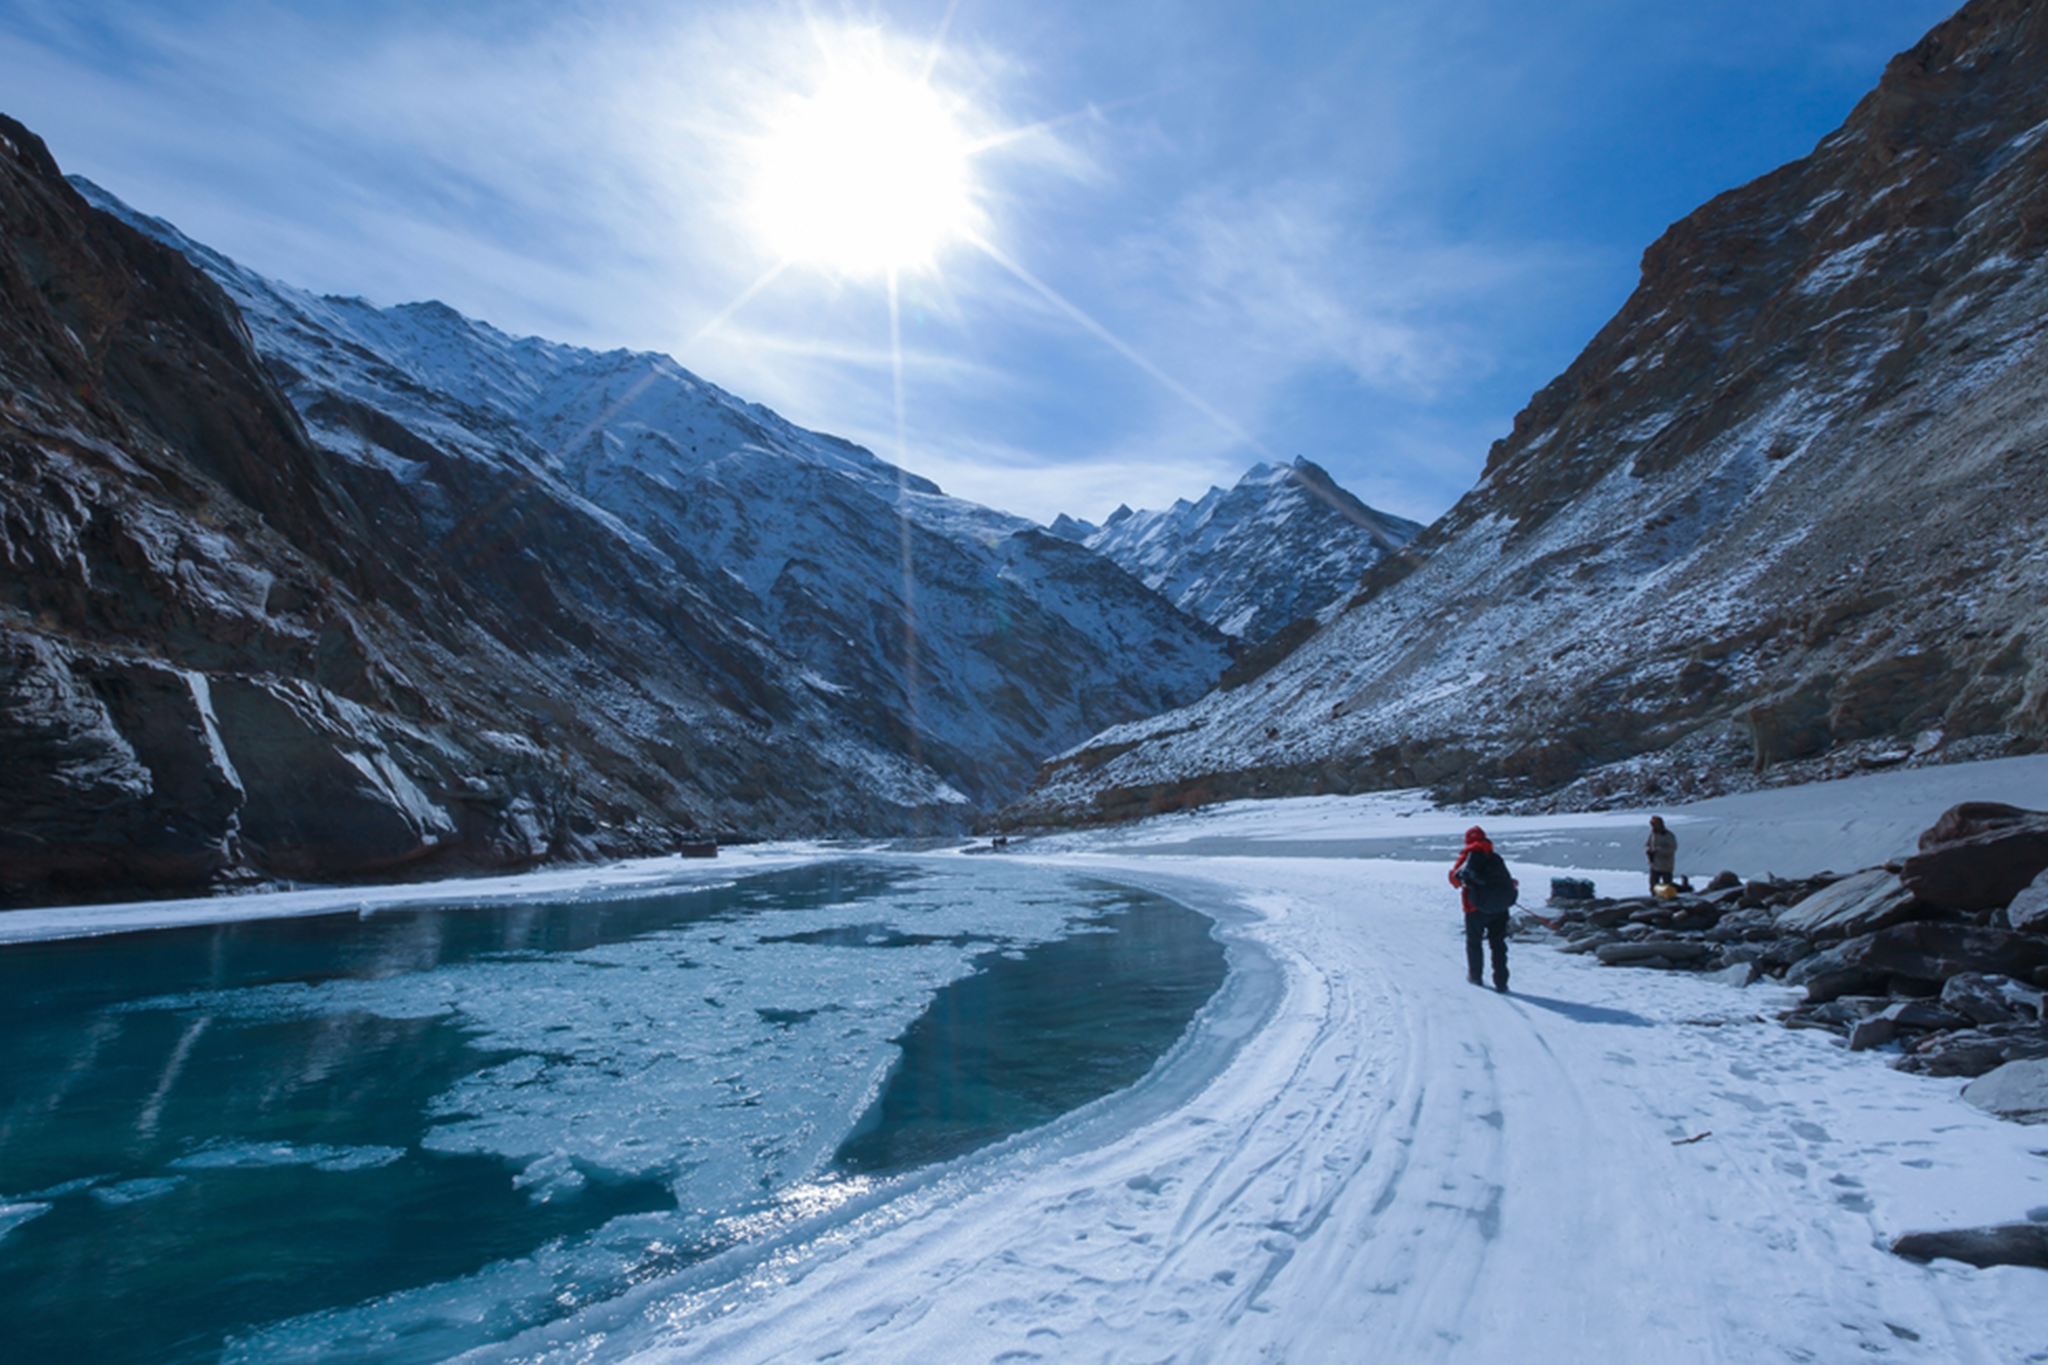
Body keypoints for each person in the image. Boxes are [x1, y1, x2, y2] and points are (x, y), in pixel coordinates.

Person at [1450, 825, 1516, 993]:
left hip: (1474, 908)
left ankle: (1475, 976)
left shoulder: (1468, 855)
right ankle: (1501, 982)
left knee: (1474, 943)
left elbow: (1455, 879)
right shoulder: (1495, 857)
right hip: (1500, 907)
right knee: (1498, 944)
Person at [1646, 815, 1678, 893]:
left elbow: (1672, 848)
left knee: (1667, 886)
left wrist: (1659, 850)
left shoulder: (1668, 835)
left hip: (1666, 865)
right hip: (1654, 864)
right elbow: (1647, 844)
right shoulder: (1652, 834)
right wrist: (1648, 850)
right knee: (1653, 885)